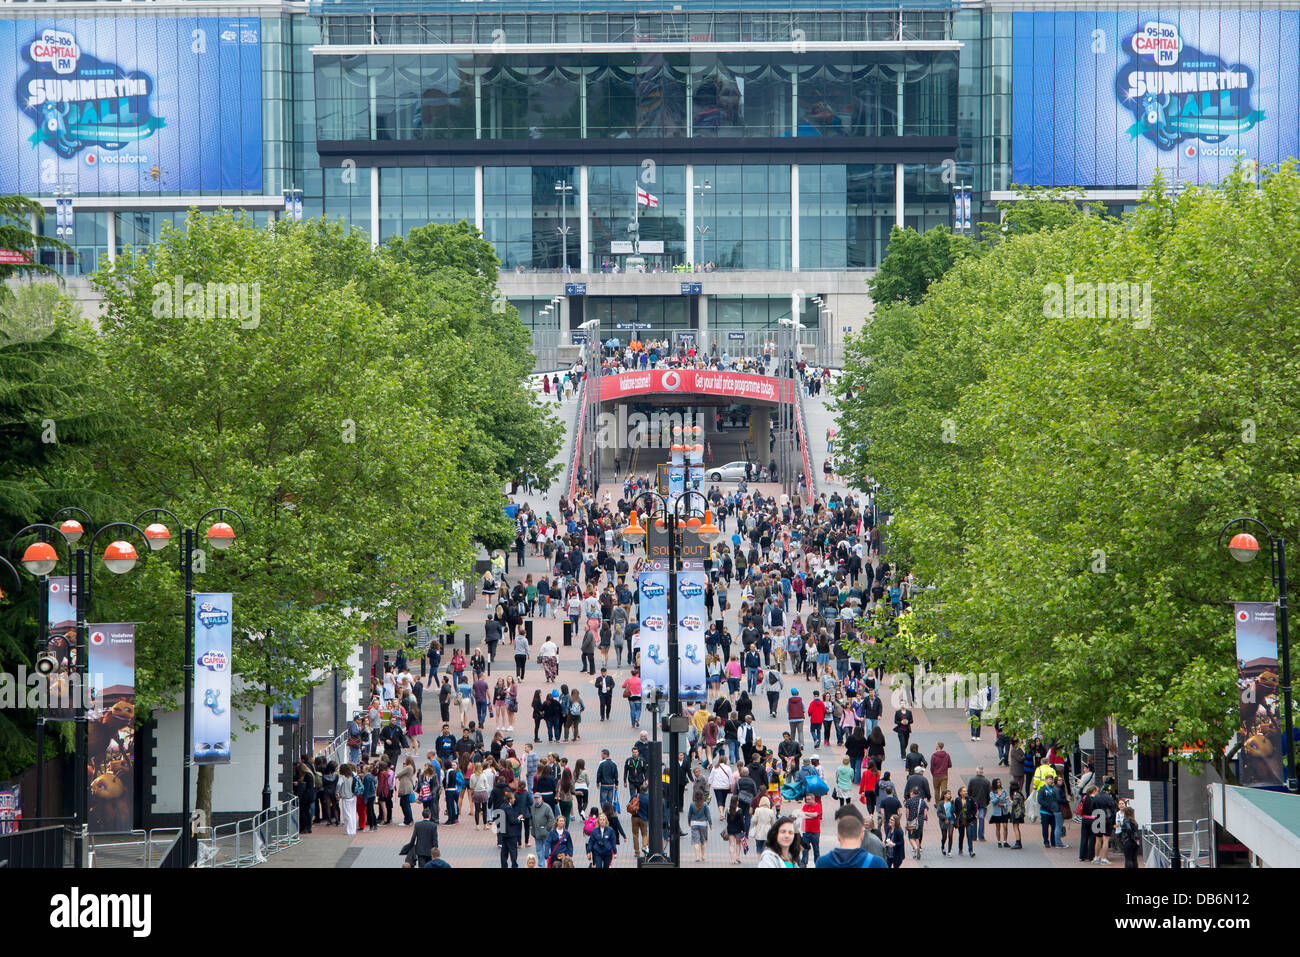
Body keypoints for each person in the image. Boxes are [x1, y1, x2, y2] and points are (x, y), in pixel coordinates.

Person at [494, 788, 525, 868]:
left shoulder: (502, 806)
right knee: (513, 851)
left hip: (504, 833)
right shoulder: (508, 807)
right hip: (511, 833)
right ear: (510, 799)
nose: (514, 799)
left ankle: (504, 865)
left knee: (504, 851)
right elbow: (512, 821)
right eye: (513, 798)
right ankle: (514, 865)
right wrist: (519, 818)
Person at [799, 793, 823, 866]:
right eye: (806, 800)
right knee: (805, 850)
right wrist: (810, 815)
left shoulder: (817, 806)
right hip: (806, 832)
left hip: (815, 832)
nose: (807, 801)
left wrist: (806, 813)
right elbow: (801, 814)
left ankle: (817, 864)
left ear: (813, 799)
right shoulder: (805, 806)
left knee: (816, 849)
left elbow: (815, 814)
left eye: (809, 799)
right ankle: (803, 864)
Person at [688, 792, 712, 862]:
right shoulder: (704, 804)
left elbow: (689, 814)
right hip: (703, 824)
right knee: (703, 841)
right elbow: (708, 815)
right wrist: (710, 823)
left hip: (694, 823)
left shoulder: (692, 804)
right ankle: (703, 856)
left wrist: (689, 821)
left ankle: (697, 857)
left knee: (695, 841)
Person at [726, 794, 750, 864]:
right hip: (738, 830)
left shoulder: (728, 810)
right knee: (738, 844)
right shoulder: (740, 811)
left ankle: (732, 859)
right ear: (737, 802)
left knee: (731, 844)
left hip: (730, 829)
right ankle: (737, 857)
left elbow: (727, 820)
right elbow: (742, 822)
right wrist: (744, 830)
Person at [989, 778, 1011, 847]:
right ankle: (999, 841)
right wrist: (998, 796)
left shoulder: (1004, 791)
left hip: (1004, 811)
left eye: (999, 782)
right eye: (997, 783)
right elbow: (993, 802)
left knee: (1005, 826)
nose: (999, 784)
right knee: (998, 827)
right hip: (996, 812)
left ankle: (1005, 841)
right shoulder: (992, 792)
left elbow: (1008, 801)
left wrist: (1004, 805)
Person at [937, 788, 954, 856]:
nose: (949, 795)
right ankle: (943, 846)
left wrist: (952, 803)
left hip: (951, 820)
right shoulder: (941, 803)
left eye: (950, 794)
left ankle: (949, 851)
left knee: (950, 835)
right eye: (948, 794)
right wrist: (945, 818)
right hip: (943, 821)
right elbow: (939, 813)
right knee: (944, 836)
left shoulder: (951, 802)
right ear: (944, 795)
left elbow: (954, 810)